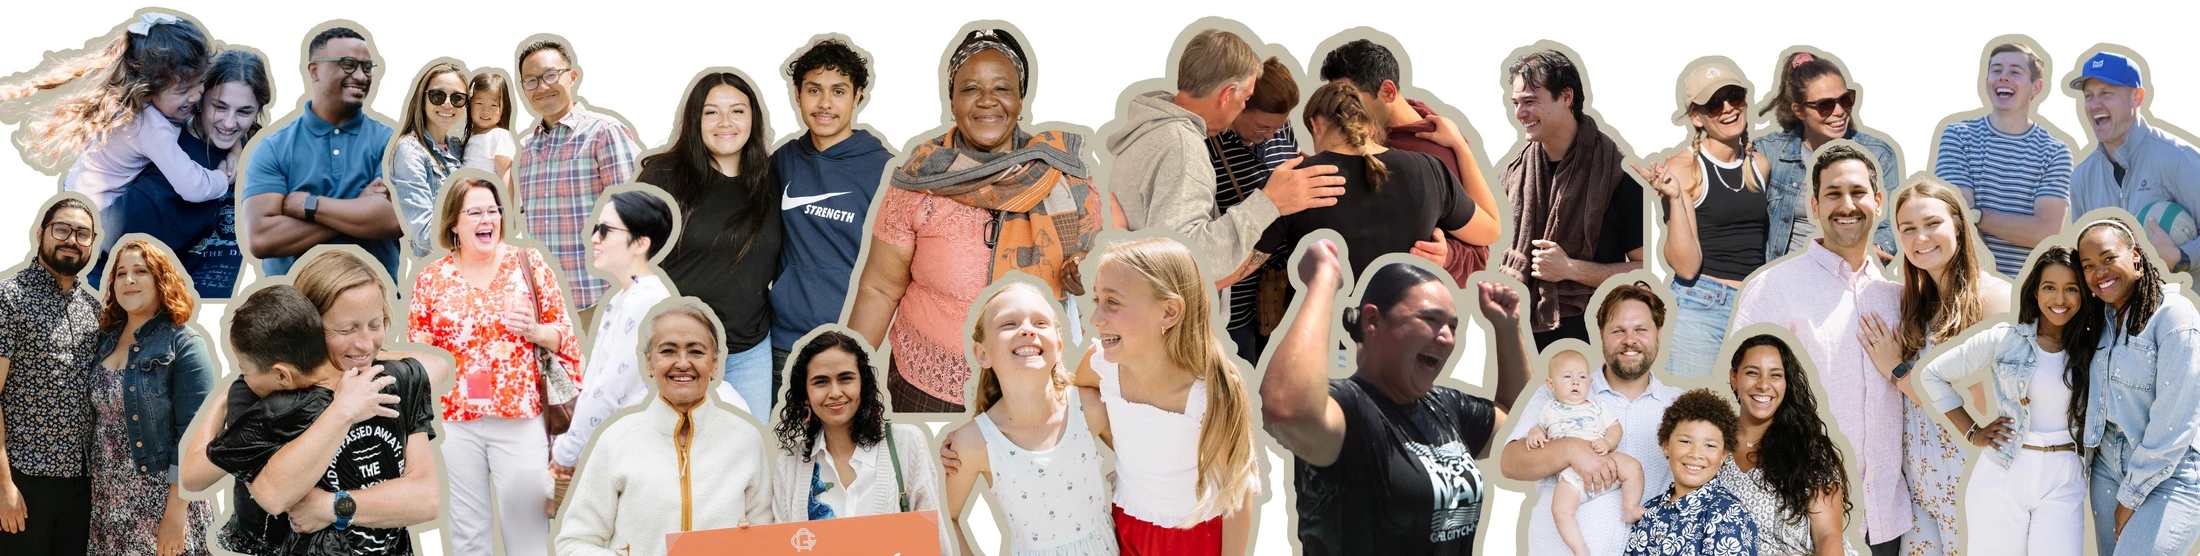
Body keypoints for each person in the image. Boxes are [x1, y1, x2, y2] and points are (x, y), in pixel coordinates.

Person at [849, 28, 1098, 413]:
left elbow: (1095, 266)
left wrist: (1083, 272)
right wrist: (849, 373)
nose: (987, 100)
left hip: (1032, 389)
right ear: (951, 100)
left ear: (1020, 100)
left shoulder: (1060, 175)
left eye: (1002, 88)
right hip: (926, 391)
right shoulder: (920, 178)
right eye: (970, 89)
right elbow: (880, 289)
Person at [1265, 239, 1531, 554]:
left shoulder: (1446, 407)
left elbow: (1521, 428)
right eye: (1430, 319)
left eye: (1453, 326)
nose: (1447, 337)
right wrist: (1323, 280)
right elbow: (1286, 408)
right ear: (1372, 321)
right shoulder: (1351, 409)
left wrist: (1507, 329)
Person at [180, 248, 445, 555]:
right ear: (310, 328)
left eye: (376, 324)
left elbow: (426, 498)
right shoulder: (264, 396)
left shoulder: (389, 378)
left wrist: (332, 506)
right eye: (346, 329)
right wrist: (222, 399)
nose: (365, 344)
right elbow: (267, 492)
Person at [1727, 142, 1906, 555]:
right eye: (1833, 193)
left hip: (1886, 518)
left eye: (1858, 192)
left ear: (1879, 202)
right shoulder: (1775, 287)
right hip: (1796, 518)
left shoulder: (1896, 297)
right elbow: (1737, 392)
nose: (1847, 205)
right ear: (1814, 206)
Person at [408, 177, 581, 556]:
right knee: (468, 534)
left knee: (527, 534)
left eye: (493, 211)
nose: (487, 219)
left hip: (520, 418)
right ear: (454, 223)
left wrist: (533, 330)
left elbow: (565, 337)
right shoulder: (431, 278)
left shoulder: (528, 263)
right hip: (455, 420)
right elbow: (419, 353)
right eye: (475, 212)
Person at [1108, 28, 1344, 284]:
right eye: (1246, 98)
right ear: (1227, 94)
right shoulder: (1182, 146)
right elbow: (1189, 259)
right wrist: (1270, 202)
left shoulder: (1152, 128)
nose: (1242, 108)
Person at [1857, 179, 2012, 554]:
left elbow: (1979, 406)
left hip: (1971, 487)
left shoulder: (1994, 299)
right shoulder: (1917, 306)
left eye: (1932, 223)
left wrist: (1897, 370)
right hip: (1920, 491)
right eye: (1908, 229)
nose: (1920, 238)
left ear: (1957, 224)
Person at [1914, 245, 2099, 555]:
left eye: (2071, 289)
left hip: (2064, 474)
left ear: (2084, 295)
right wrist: (1972, 432)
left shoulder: (2093, 348)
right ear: (2035, 293)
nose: (2060, 299)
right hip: (2004, 470)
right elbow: (1932, 375)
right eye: (2049, 287)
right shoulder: (2005, 339)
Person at [1080, 237, 1259, 554]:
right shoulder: (1102, 366)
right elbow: (1075, 394)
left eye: (1112, 302)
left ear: (1169, 311)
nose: (1096, 317)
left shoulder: (1208, 393)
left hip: (1193, 536)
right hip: (1128, 522)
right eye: (1097, 300)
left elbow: (1236, 490)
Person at [554, 300, 774, 556]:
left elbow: (767, 538)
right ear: (649, 363)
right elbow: (573, 543)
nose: (682, 363)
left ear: (715, 364)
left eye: (696, 352)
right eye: (668, 351)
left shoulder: (746, 439)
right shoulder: (616, 439)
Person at [940, 279, 1120, 555]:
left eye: (1040, 323)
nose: (1027, 330)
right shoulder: (973, 443)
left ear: (1059, 345)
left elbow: (1137, 458)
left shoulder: (1089, 408)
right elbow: (945, 517)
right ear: (982, 353)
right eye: (1009, 324)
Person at [1504, 279, 1684, 555]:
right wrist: (1570, 449)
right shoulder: (1561, 389)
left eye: (1641, 329)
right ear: (1600, 333)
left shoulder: (1680, 405)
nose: (1630, 340)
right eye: (1618, 330)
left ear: (1658, 332)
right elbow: (1510, 463)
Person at [639, 71, 781, 415]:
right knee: (677, 443)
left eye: (737, 111)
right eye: (711, 112)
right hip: (680, 351)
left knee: (747, 443)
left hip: (748, 350)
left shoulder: (770, 180)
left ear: (753, 118)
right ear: (695, 119)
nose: (725, 122)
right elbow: (631, 260)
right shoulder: (663, 176)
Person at [1318, 38, 1502, 280]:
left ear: (1388, 92)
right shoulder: (1382, 129)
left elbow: (1482, 246)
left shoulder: (1434, 152)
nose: (1340, 109)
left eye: (1350, 99)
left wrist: (1448, 256)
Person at [1251, 81, 1476, 279]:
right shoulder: (1430, 169)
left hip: (1321, 314)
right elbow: (1486, 233)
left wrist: (1265, 203)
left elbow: (1238, 268)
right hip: (1406, 313)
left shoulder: (1297, 181)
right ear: (1370, 125)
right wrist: (1448, 254)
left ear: (1316, 124)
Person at [0, 13, 224, 211]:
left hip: (77, 192)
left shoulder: (126, 100)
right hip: (99, 215)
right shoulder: (148, 127)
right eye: (183, 90)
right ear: (147, 91)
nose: (197, 94)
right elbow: (193, 188)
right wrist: (223, 177)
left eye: (201, 81)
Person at [1498, 48, 1645, 349]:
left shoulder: (1617, 175)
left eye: (1530, 101)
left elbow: (1646, 269)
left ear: (1566, 97)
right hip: (1522, 339)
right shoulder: (1513, 174)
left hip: (1593, 344)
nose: (1519, 113)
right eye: (1516, 103)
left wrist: (1569, 269)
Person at [1635, 57, 1771, 378]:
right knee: (1695, 405)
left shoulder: (1759, 165)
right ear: (1696, 117)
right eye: (1714, 104)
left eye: (1734, 96)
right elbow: (1685, 266)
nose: (1728, 108)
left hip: (1756, 305)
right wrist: (1674, 196)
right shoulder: (1683, 168)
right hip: (1702, 306)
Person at [97, 48, 270, 299]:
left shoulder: (254, 150)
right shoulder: (171, 159)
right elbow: (110, 243)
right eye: (219, 107)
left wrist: (237, 148)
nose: (229, 123)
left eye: (244, 111)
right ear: (199, 100)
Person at [2072, 218, 2200, 555]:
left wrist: (2131, 495)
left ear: (2136, 258)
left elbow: (2176, 420)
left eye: (2108, 258)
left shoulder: (2174, 316)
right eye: (2088, 266)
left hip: (2171, 472)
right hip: (2106, 469)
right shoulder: (2098, 320)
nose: (2099, 272)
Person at [549, 188, 680, 509]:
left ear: (640, 243)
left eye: (606, 230)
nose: (594, 238)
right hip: (621, 452)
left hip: (636, 459)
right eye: (596, 228)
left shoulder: (644, 302)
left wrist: (565, 452)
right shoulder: (626, 297)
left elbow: (607, 391)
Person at [771, 39, 892, 383]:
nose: (825, 103)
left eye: (838, 91)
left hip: (848, 343)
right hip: (783, 341)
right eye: (814, 90)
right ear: (797, 95)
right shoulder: (783, 160)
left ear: (858, 96)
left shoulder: (885, 171)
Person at [87, 238, 216, 556]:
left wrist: (175, 513)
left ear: (161, 280)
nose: (129, 280)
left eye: (140, 271)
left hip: (159, 500)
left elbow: (195, 435)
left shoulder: (184, 343)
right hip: (107, 499)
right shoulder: (104, 342)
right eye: (120, 273)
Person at [243, 25, 403, 278]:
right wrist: (359, 208)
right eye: (348, 64)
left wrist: (310, 205)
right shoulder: (273, 147)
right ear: (314, 70)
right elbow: (262, 239)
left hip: (373, 298)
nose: (361, 76)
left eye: (367, 67)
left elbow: (394, 220)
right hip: (293, 300)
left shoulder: (392, 142)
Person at [768, 329, 945, 549]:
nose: (835, 392)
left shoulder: (907, 442)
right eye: (821, 382)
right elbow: (782, 548)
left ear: (863, 384)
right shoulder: (789, 462)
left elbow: (935, 541)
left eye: (845, 379)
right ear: (805, 395)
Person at [0, 197, 105, 555]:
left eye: (83, 234)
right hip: (24, 480)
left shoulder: (93, 309)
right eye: (62, 229)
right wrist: (4, 486)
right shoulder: (9, 299)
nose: (72, 240)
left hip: (81, 483)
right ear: (40, 233)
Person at [513, 38, 644, 311]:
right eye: (531, 81)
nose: (542, 87)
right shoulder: (526, 148)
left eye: (550, 75)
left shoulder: (603, 133)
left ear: (572, 76)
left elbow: (635, 215)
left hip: (601, 300)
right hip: (546, 306)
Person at [1932, 41, 2075, 276]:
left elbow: (2045, 232)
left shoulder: (2056, 151)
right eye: (1996, 70)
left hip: (2025, 289)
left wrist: (1977, 215)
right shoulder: (1958, 135)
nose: (2003, 77)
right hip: (1965, 283)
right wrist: (1984, 281)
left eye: (2015, 72)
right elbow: (1954, 217)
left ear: (2036, 87)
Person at [1755, 50, 1901, 263]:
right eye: (1825, 105)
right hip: (1786, 275)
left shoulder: (1878, 155)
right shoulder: (1770, 152)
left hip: (1848, 271)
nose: (1839, 111)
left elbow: (1891, 226)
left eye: (1845, 100)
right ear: (1799, 110)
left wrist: (1874, 250)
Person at [2065, 50, 2200, 274]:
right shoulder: (2081, 178)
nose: (2094, 104)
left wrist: (2182, 257)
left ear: (2137, 97)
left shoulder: (2177, 158)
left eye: (2106, 93)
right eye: (2089, 96)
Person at [1720, 333, 1855, 556]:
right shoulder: (1710, 444)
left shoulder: (1808, 450)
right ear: (1734, 378)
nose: (1763, 385)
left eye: (1775, 375)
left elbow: (1828, 537)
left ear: (1786, 383)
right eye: (1752, 373)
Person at [1203, 56, 1298, 363]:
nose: (1271, 135)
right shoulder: (1206, 144)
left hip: (1282, 286)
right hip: (1235, 297)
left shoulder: (1281, 130)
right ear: (1240, 106)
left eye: (1279, 127)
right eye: (1263, 126)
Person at [1528, 347, 1645, 556]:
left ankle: (1630, 507)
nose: (1575, 382)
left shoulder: (1596, 406)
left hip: (1604, 460)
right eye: (1567, 377)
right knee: (1561, 511)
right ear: (1551, 384)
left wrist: (1607, 442)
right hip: (1571, 476)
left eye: (1582, 377)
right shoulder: (1549, 408)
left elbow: (1615, 428)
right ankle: (1579, 548)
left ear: (1589, 383)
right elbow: (1539, 427)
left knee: (1633, 467)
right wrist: (1534, 434)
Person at [1622, 389, 1759, 556]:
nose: (1695, 454)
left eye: (1710, 445)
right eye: (1686, 441)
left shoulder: (1730, 515)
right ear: (1666, 446)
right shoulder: (1649, 509)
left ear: (1723, 455)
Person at [390, 61, 469, 260]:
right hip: (438, 270)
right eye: (437, 96)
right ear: (422, 98)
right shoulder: (410, 151)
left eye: (458, 98)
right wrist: (478, 233)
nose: (447, 104)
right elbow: (425, 235)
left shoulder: (458, 148)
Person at [462, 70, 517, 187]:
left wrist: (506, 199)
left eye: (494, 105)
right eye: (479, 103)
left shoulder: (500, 135)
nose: (486, 111)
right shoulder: (471, 136)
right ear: (469, 104)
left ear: (503, 109)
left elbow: (505, 174)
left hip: (486, 195)